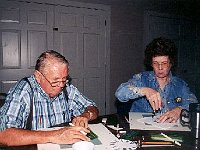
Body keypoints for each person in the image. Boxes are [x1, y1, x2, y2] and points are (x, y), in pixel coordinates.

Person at [0, 50, 99, 147]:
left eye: (64, 79)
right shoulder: (24, 90)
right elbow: (3, 134)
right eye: (55, 81)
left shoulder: (66, 88)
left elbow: (92, 107)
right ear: (38, 76)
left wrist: (86, 115)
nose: (61, 85)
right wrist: (55, 135)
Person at [115, 37, 197, 123]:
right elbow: (120, 93)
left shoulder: (180, 85)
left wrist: (180, 109)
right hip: (142, 131)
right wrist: (144, 90)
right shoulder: (142, 79)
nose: (160, 68)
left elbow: (194, 103)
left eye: (164, 63)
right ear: (151, 63)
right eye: (155, 63)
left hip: (170, 130)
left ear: (171, 63)